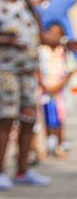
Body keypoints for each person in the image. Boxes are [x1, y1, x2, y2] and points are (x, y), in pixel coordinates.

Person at [0, 0, 56, 190]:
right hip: (5, 69)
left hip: (28, 70)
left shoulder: (27, 5)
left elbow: (40, 34)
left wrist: (63, 41)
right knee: (7, 117)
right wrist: (9, 41)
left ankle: (23, 169)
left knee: (28, 118)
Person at [39, 22, 72, 158]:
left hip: (59, 90)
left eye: (57, 34)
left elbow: (70, 70)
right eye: (50, 33)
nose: (53, 36)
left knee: (59, 116)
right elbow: (36, 69)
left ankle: (60, 144)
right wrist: (44, 85)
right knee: (43, 116)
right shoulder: (41, 50)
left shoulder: (64, 52)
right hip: (43, 89)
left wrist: (58, 86)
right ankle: (45, 143)